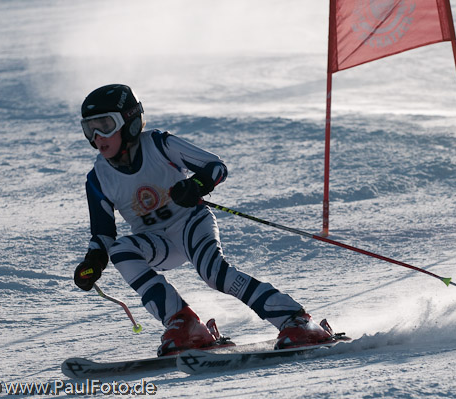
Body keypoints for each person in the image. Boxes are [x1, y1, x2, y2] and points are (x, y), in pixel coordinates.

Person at [73, 84, 334, 356]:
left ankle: (296, 319)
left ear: (130, 122)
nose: (97, 136)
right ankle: (184, 324)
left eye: (105, 125)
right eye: (89, 128)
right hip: (157, 241)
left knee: (214, 274)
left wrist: (195, 185)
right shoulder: (98, 177)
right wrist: (93, 262)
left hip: (190, 223)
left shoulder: (159, 144)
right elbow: (103, 235)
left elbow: (216, 167)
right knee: (120, 250)